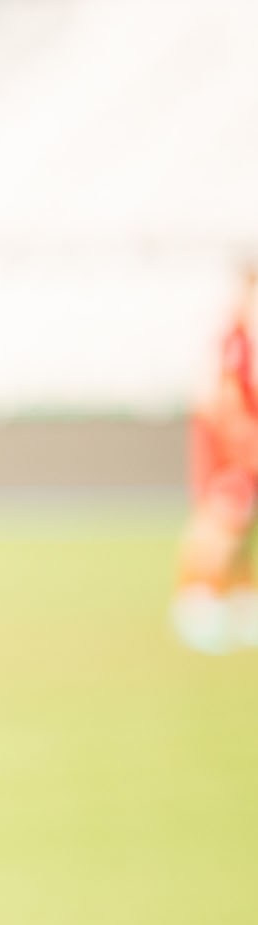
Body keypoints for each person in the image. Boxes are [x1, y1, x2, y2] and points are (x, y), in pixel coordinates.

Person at [173, 262, 258, 654]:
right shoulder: (233, 341)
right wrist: (239, 439)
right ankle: (197, 602)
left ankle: (241, 600)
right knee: (222, 517)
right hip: (225, 444)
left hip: (241, 442)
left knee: (242, 526)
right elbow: (222, 401)